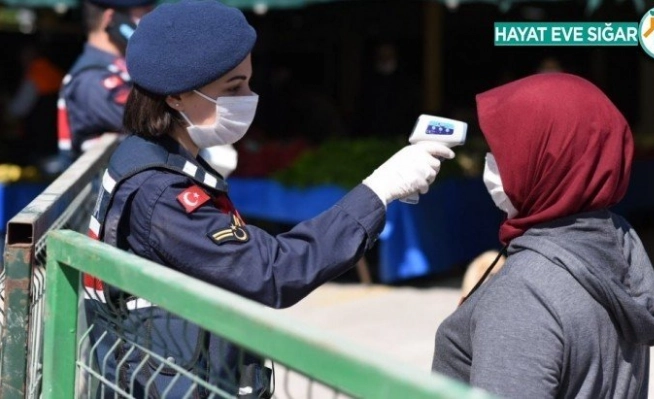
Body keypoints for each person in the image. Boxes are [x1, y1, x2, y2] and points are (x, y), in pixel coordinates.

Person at [83, 0, 454, 397]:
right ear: (175, 97)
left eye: (248, 81)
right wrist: (379, 190)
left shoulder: (150, 153)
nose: (248, 96)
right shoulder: (164, 193)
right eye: (233, 88)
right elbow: (273, 272)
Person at [432, 73, 654, 398]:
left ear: (544, 163)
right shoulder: (617, 246)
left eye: (503, 151)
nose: (491, 164)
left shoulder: (525, 294)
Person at [55, 0, 155, 169]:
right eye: (144, 14)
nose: (153, 23)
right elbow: (154, 123)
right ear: (112, 18)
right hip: (98, 192)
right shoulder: (92, 79)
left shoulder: (123, 67)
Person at [6, 41, 64, 166]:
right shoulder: (54, 71)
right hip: (58, 140)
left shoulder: (35, 75)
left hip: (40, 146)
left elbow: (17, 110)